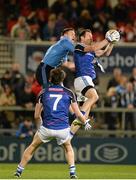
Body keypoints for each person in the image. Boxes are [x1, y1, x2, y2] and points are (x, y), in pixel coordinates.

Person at [14, 68, 91, 179]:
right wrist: (85, 122)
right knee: (68, 147)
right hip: (63, 129)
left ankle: (19, 171)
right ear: (63, 78)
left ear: (50, 79)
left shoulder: (43, 92)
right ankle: (72, 172)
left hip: (47, 128)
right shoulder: (69, 93)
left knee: (32, 147)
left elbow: (36, 115)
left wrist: (40, 127)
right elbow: (77, 114)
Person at [36, 27, 116, 88]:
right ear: (65, 35)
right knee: (47, 92)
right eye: (72, 34)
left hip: (50, 70)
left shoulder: (63, 50)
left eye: (74, 34)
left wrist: (112, 42)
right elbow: (82, 49)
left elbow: (67, 64)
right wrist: (108, 39)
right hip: (44, 68)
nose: (74, 36)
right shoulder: (65, 41)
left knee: (54, 92)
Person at [70, 28, 115, 135]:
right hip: (83, 79)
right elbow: (95, 47)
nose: (92, 37)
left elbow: (105, 52)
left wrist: (112, 42)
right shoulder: (79, 46)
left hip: (84, 81)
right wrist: (108, 39)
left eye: (92, 35)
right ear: (82, 38)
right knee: (94, 97)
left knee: (85, 114)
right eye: (89, 36)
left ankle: (69, 134)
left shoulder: (90, 51)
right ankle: (78, 114)